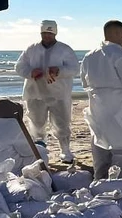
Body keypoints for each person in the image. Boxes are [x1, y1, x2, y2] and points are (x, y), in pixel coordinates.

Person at [80, 20, 122, 179]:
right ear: (115, 33)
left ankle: (100, 183)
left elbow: (84, 82)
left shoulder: (89, 56)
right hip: (121, 108)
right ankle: (120, 185)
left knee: (101, 149)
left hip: (98, 107)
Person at [13, 20, 79, 162]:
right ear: (41, 32)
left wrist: (59, 71)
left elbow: (74, 69)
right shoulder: (31, 48)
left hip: (59, 94)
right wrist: (31, 72)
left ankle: (65, 151)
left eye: (50, 33)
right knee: (37, 123)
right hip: (35, 93)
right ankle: (39, 151)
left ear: (55, 33)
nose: (47, 36)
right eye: (44, 33)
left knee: (62, 122)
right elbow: (19, 67)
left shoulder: (64, 49)